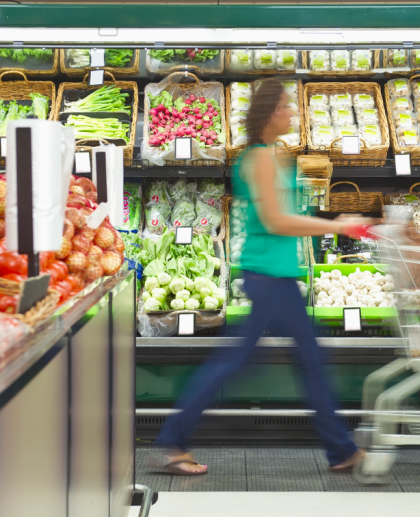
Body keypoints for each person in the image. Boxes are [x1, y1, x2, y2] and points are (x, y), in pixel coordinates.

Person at [153, 78, 375, 476]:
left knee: (295, 361)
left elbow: (290, 213)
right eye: (287, 107)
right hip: (268, 278)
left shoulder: (277, 155)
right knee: (246, 363)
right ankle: (173, 440)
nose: (293, 112)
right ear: (271, 113)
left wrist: (335, 220)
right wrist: (336, 227)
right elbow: (275, 220)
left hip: (278, 276)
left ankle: (340, 449)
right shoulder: (255, 159)